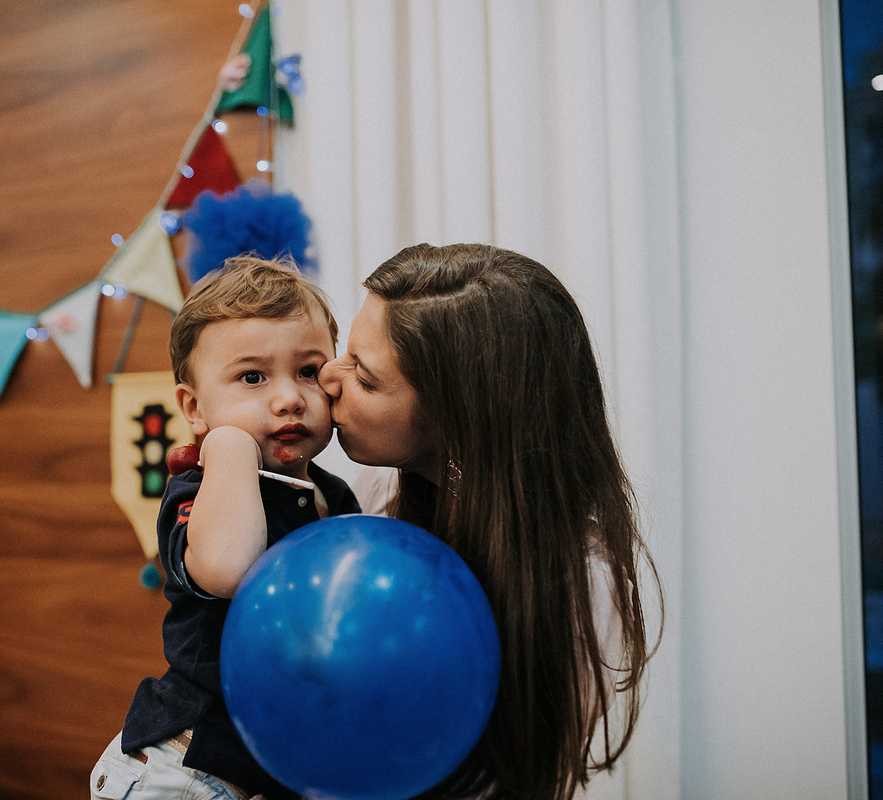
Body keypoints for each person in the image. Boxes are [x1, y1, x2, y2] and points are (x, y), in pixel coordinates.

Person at [317, 243, 660, 800]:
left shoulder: (578, 585)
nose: (329, 379)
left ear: (459, 415)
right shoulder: (379, 495)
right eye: (344, 354)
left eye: (366, 377)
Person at [92, 257, 360, 800]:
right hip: (180, 768)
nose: (289, 397)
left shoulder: (336, 496)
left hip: (265, 768)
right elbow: (228, 567)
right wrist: (228, 444)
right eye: (252, 377)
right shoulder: (200, 487)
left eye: (309, 371)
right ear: (194, 407)